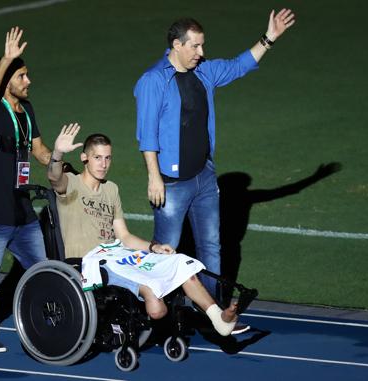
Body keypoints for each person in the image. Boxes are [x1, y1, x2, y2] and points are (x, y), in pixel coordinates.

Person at [133, 10, 296, 317]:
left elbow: (239, 66)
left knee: (211, 247)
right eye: (195, 46)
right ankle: (152, 311)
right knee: (164, 252)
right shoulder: (153, 81)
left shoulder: (203, 72)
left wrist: (269, 38)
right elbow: (147, 135)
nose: (202, 53)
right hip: (170, 183)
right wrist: (154, 177)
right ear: (177, 45)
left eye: (202, 45)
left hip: (205, 177)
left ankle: (213, 313)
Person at [47, 125, 239, 336]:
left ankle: (218, 318)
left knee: (180, 263)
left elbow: (125, 236)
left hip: (118, 254)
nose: (103, 164)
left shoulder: (111, 189)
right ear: (85, 157)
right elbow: (55, 178)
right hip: (92, 261)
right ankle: (152, 301)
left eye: (108, 158)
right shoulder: (71, 184)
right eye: (97, 158)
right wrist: (57, 153)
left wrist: (154, 247)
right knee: (153, 302)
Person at [0, 27, 54, 353]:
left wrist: (63, 162)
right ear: (6, 80)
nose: (28, 81)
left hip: (23, 210)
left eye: (26, 75)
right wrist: (6, 59)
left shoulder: (27, 110)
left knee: (42, 269)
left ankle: (47, 320)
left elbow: (39, 150)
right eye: (21, 76)